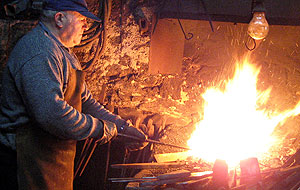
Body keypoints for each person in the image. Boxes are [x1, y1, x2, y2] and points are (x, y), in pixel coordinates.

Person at [0, 0, 147, 190]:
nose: (86, 25)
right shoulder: (39, 52)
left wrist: (122, 127)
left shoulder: (64, 53)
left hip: (50, 161)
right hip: (25, 166)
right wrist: (102, 129)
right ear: (60, 18)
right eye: (81, 19)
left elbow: (86, 102)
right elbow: (52, 116)